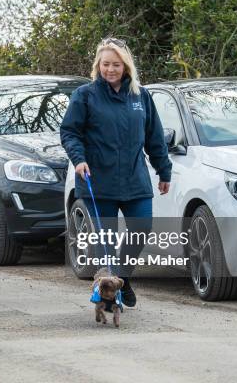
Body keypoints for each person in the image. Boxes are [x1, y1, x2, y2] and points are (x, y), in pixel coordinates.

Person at [60, 37, 172, 308]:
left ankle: (122, 277)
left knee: (141, 229)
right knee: (106, 244)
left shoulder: (140, 96)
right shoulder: (85, 95)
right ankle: (108, 298)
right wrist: (79, 159)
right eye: (105, 64)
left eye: (116, 65)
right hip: (97, 180)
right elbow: (70, 132)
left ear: (126, 66)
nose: (110, 69)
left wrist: (163, 170)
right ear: (98, 65)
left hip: (134, 178)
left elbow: (154, 136)